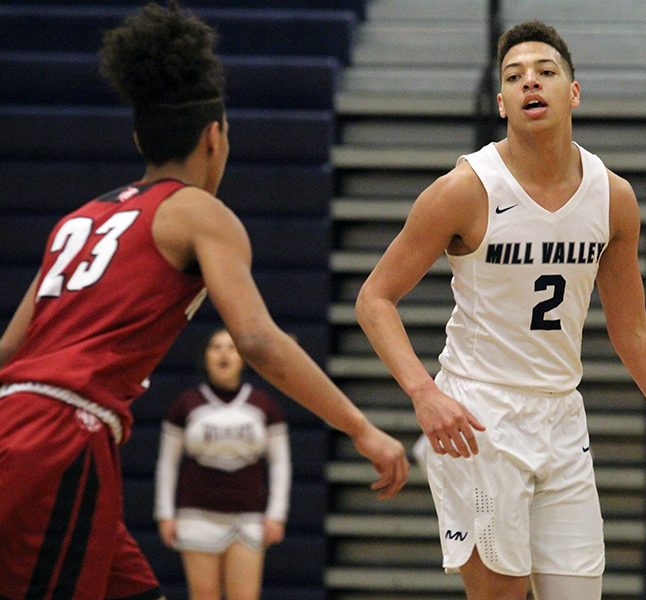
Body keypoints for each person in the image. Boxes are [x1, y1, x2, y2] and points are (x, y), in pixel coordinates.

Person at [0, 3, 408, 599]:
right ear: (215, 137)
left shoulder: (78, 219)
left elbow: (11, 347)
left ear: (140, 136)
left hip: (20, 420)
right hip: (65, 433)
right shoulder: (198, 212)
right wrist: (361, 427)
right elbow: (259, 340)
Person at [355, 19, 646, 600]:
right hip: (481, 417)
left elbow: (634, 332)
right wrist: (424, 392)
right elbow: (374, 298)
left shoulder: (612, 196)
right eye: (515, 76)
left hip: (562, 417)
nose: (530, 83)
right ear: (501, 103)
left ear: (573, 91)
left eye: (546, 71)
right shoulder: (464, 190)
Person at [155, 328, 291, 600]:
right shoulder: (186, 404)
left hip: (247, 518)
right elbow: (167, 463)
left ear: (243, 357)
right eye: (215, 347)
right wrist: (165, 513)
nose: (223, 354)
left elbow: (280, 464)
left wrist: (276, 514)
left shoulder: (263, 404)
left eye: (231, 347)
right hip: (196, 516)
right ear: (205, 356)